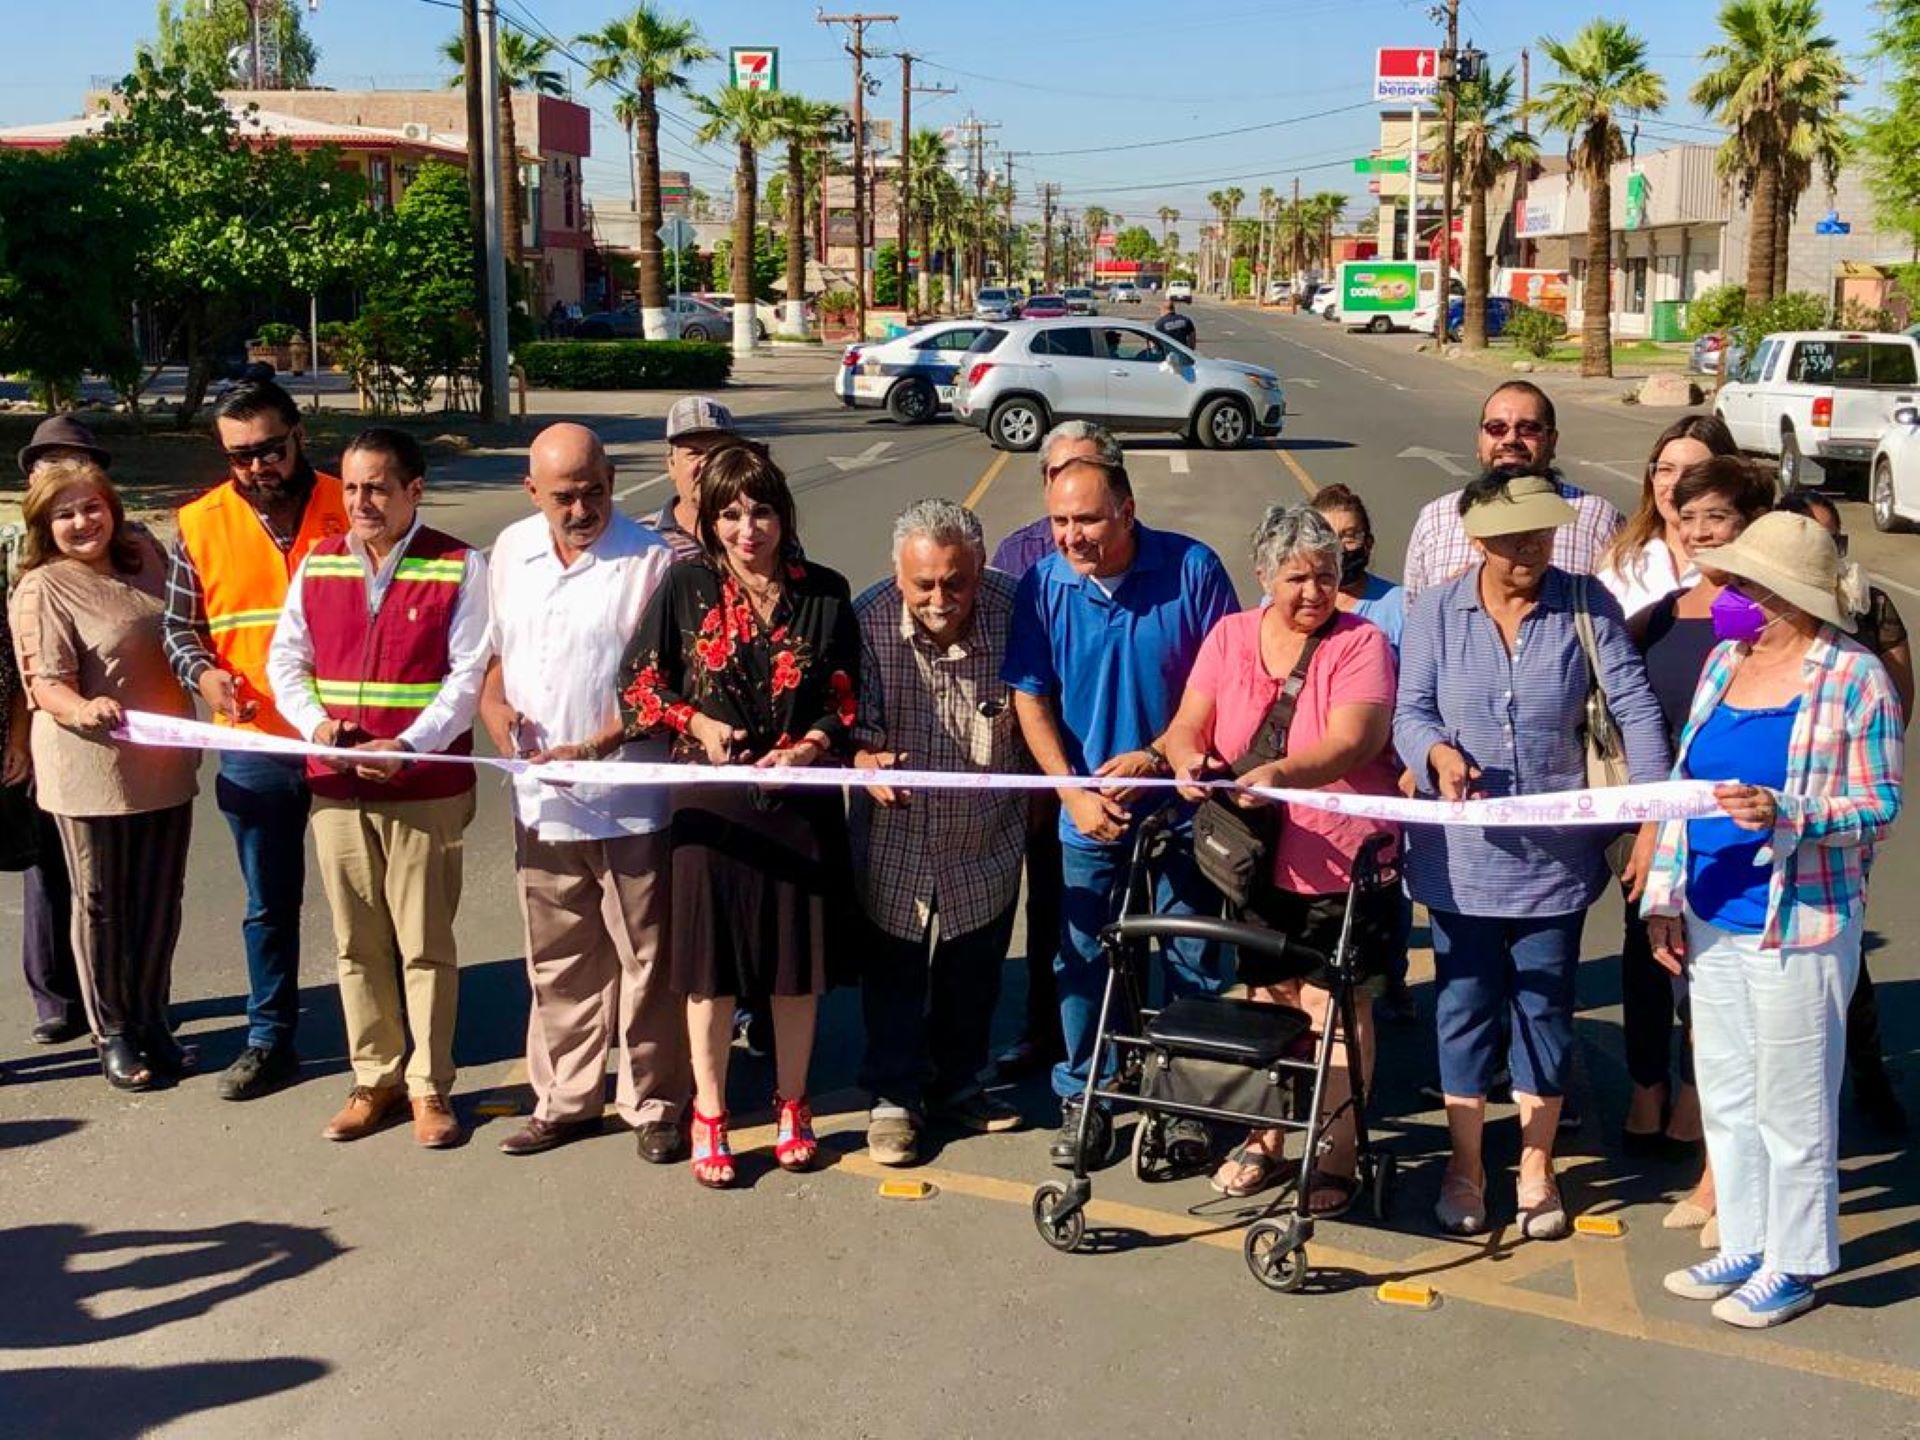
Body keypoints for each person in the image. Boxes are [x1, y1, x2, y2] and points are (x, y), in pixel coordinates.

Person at [1394, 474, 1670, 1239]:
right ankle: (1466, 1164)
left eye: (1543, 537)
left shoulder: (1588, 604)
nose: (1533, 552)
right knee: (1463, 1007)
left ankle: (1537, 1164)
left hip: (1556, 862)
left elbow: (1636, 711)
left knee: (1546, 1007)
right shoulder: (1435, 615)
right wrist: (1437, 753)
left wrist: (1650, 821)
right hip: (1459, 858)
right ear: (1478, 540)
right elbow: (1408, 712)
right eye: (1516, 541)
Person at [1646, 513, 1903, 1329]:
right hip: (1712, 910)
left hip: (1803, 920)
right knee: (1727, 1092)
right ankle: (1748, 1241)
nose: (1727, 595)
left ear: (1790, 598)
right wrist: (1663, 898)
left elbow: (1879, 803)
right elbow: (1684, 787)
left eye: (1746, 584)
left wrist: (1784, 810)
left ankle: (1796, 1262)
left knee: (1793, 1103)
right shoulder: (1725, 662)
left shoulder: (1854, 677)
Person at [618, 442, 860, 1188]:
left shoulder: (824, 591)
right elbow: (638, 686)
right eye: (729, 514)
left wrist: (815, 744)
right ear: (710, 521)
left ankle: (794, 1102)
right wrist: (699, 727)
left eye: (760, 511)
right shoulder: (684, 586)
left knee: (794, 969)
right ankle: (712, 1113)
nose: (747, 528)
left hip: (799, 801)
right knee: (712, 972)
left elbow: (845, 699)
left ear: (783, 515)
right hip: (711, 805)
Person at [1003, 450, 1241, 1168]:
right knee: (1081, 959)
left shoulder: (1193, 570)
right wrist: (1071, 790)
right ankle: (1089, 1091)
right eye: (1059, 521)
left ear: (1128, 511)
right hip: (1089, 815)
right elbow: (1029, 696)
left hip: (1182, 809)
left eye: (1088, 520)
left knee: (1195, 957)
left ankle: (1186, 1099)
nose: (1072, 536)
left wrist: (1159, 754)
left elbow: (1224, 687)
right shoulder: (1044, 585)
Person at [1163, 504, 1402, 1207]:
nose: (1313, 592)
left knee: (1334, 1007)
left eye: (1325, 576)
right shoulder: (1230, 634)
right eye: (1297, 577)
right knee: (1270, 999)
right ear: (1264, 575)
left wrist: (1283, 776)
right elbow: (1187, 722)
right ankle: (1265, 1138)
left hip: (1343, 861)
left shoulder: (1360, 643)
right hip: (1257, 857)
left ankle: (1335, 1153)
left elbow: (1355, 739)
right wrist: (1186, 758)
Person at [265, 427, 490, 1149]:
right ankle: (375, 1079)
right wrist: (315, 726)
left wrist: (411, 746)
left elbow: (466, 678)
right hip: (336, 785)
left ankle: (430, 1087)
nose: (360, 502)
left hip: (423, 786)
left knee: (424, 944)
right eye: (352, 487)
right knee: (356, 944)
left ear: (413, 491)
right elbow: (286, 659)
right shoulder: (320, 564)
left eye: (376, 488)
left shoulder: (459, 565)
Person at [480, 423, 692, 1161]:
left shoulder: (649, 561)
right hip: (540, 795)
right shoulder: (509, 552)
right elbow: (493, 657)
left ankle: (654, 1101)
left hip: (632, 793)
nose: (581, 510)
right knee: (558, 957)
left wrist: (601, 741)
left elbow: (665, 682)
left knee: (646, 957)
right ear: (531, 490)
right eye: (564, 497)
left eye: (594, 492)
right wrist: (495, 710)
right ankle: (565, 1099)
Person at [165, 379, 348, 1101]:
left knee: (365, 895)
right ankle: (270, 1036)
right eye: (239, 456)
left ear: (298, 435)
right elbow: (180, 627)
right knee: (267, 901)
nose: (256, 468)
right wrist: (202, 674)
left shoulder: (350, 502)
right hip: (255, 741)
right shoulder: (200, 522)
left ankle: (390, 1033)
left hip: (345, 733)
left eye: (269, 450)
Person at [8, 458, 199, 1091]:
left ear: (112, 507)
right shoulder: (43, 587)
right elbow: (46, 685)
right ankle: (113, 1032)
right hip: (89, 766)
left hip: (165, 761)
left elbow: (187, 629)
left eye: (91, 506)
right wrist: (84, 707)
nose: (82, 522)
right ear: (45, 525)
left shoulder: (146, 560)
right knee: (102, 905)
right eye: (64, 514)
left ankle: (153, 1020)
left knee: (159, 900)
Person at [852, 499, 1029, 1165]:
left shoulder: (1017, 611)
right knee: (894, 972)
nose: (939, 598)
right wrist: (862, 759)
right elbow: (847, 720)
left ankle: (960, 1083)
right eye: (923, 584)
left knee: (973, 970)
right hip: (897, 830)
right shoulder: (867, 619)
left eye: (956, 581)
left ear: (980, 568)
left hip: (983, 833)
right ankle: (894, 1096)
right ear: (898, 575)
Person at [1623, 457, 1774, 1230]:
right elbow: (1653, 741)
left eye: (1716, 517)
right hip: (1682, 842)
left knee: (1752, 1030)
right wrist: (1652, 829)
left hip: (1766, 845)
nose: (1699, 532)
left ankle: (1726, 1179)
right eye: (1687, 518)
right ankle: (1718, 1178)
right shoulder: (1661, 617)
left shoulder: (1774, 615)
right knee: (1703, 1017)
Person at [1770, 490, 1910, 1138]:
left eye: (1835, 542)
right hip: (1761, 807)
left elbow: (1898, 699)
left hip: (1837, 804)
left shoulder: (1867, 605)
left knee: (1841, 948)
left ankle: (1868, 1076)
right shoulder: (1758, 608)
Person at [988, 422, 1124, 1080]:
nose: (1072, 526)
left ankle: (1146, 1057)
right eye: (1056, 476)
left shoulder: (1173, 563)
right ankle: (1053, 1042)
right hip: (1056, 787)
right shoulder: (1021, 560)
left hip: (1144, 788)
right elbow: (1018, 684)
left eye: (1085, 472)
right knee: (1061, 925)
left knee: (1150, 933)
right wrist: (1055, 784)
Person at [8, 417, 102, 1046]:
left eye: (71, 460)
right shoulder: (16, 544)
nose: (56, 471)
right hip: (35, 720)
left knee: (105, 876)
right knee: (44, 866)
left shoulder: (119, 536)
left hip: (102, 727)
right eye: (46, 462)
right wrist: (18, 732)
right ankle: (56, 997)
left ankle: (120, 996)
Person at [1401, 381, 1625, 601]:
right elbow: (1415, 611)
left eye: (1528, 428)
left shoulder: (1597, 517)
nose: (1510, 439)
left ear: (1552, 441)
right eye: (1496, 428)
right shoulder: (1436, 518)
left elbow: (1618, 612)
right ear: (1480, 439)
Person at [1597, 416, 1740, 621]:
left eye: (1694, 472)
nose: (1676, 484)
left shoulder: (1750, 569)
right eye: (1666, 469)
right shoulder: (1623, 563)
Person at [1311, 483, 1405, 654]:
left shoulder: (1400, 605)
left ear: (1368, 543)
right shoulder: (1287, 599)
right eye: (1326, 538)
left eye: (1350, 537)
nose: (1339, 548)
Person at [650, 395, 741, 563]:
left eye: (718, 452)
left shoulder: (758, 532)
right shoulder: (641, 540)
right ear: (671, 464)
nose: (707, 464)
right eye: (694, 453)